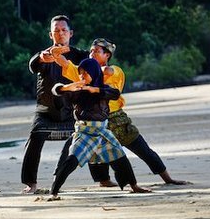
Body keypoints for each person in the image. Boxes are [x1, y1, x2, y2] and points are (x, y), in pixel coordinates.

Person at [51, 38, 188, 186]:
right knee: (84, 150)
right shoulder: (84, 72)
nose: (91, 53)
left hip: (118, 120)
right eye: (91, 50)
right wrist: (55, 53)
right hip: (93, 122)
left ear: (107, 55)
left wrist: (92, 71)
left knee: (143, 149)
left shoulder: (115, 71)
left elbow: (107, 72)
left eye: (96, 51)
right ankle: (102, 181)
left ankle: (168, 178)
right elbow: (65, 64)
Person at [21, 15, 109, 194]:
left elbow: (97, 64)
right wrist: (41, 58)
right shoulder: (45, 55)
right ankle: (31, 183)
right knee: (35, 137)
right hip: (47, 111)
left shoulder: (81, 56)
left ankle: (102, 178)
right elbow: (33, 64)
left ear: (71, 33)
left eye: (63, 30)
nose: (60, 34)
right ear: (50, 35)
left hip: (74, 112)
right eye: (56, 31)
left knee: (94, 134)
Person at [49, 58, 150, 199]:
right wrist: (66, 88)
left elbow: (115, 93)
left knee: (120, 158)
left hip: (102, 131)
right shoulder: (77, 91)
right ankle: (53, 192)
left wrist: (95, 90)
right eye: (80, 74)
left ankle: (134, 185)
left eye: (85, 73)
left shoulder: (103, 89)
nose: (82, 77)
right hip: (84, 132)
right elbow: (55, 90)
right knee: (71, 160)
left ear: (94, 72)